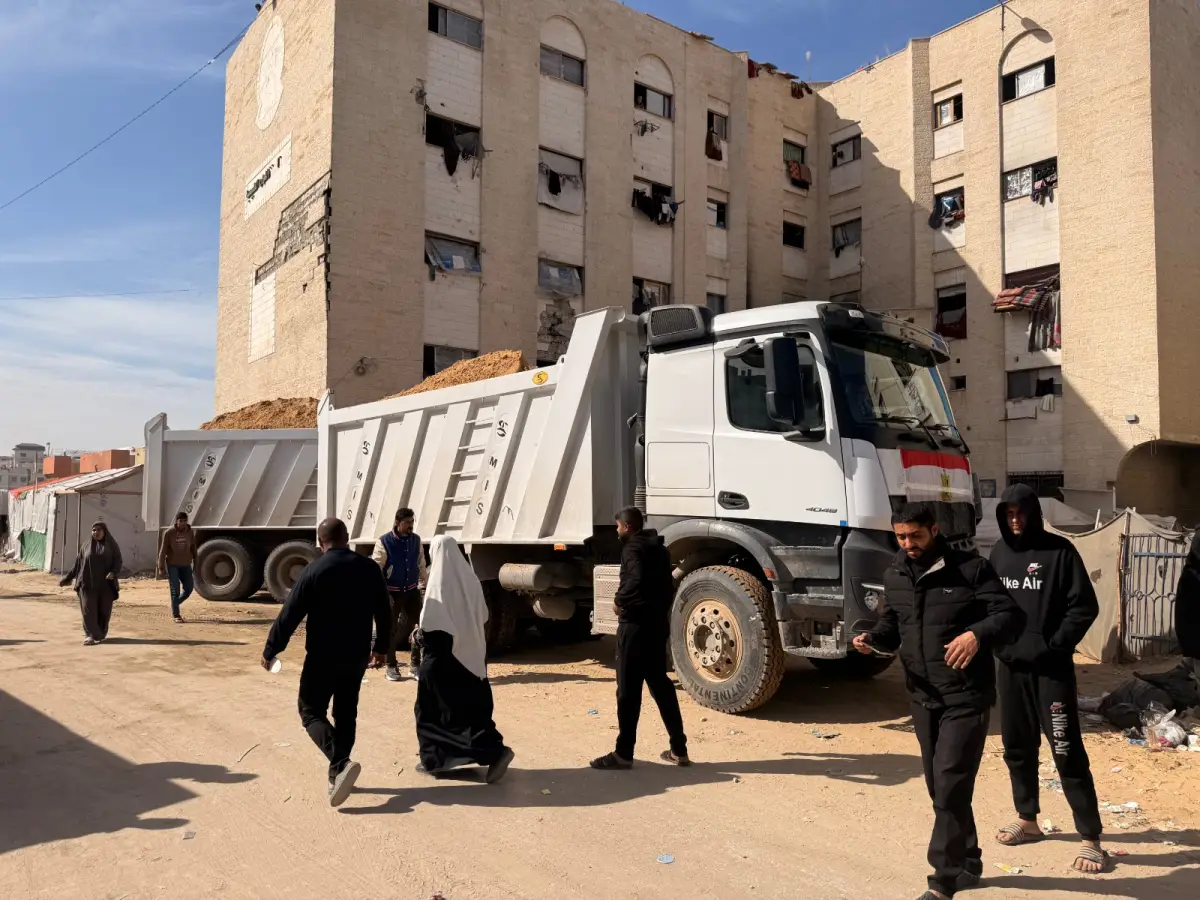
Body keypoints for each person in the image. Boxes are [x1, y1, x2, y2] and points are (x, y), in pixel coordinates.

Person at [853, 503, 1022, 900]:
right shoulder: (894, 574)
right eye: (901, 536)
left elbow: (1009, 615)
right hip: (922, 697)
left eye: (916, 535)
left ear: (934, 529)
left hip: (966, 695)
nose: (908, 543)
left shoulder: (970, 569)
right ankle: (970, 857)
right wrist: (873, 640)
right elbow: (892, 627)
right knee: (941, 787)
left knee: (949, 784)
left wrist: (976, 634)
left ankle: (943, 881)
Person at [988, 485, 1106, 873]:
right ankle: (1028, 820)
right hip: (1010, 670)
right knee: (1017, 747)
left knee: (1066, 750)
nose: (1015, 519)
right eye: (1008, 514)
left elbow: (1084, 606)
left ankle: (1090, 838)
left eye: (1021, 512)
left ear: (1033, 513)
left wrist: (1054, 645)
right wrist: (997, 644)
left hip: (1051, 671)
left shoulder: (1060, 553)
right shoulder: (999, 554)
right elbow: (989, 604)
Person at [261, 517, 391, 808]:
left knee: (310, 712)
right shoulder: (369, 568)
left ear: (321, 543)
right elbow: (384, 611)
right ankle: (337, 774)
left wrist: (272, 649)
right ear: (347, 538)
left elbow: (290, 614)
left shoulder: (314, 570)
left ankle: (340, 762)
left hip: (322, 656)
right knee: (346, 713)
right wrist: (382, 648)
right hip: (356, 655)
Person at [590, 506, 689, 770]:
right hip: (656, 627)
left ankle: (623, 754)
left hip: (634, 627)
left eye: (619, 526)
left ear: (628, 527)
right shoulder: (660, 549)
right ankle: (679, 749)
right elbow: (666, 586)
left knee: (628, 691)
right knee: (661, 686)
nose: (617, 531)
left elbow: (634, 580)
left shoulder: (632, 549)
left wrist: (619, 601)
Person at [413, 535, 514, 783]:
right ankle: (491, 751)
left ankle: (436, 760)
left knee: (431, 711)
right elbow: (482, 615)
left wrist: (418, 637)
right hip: (472, 656)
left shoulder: (439, 583)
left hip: (443, 659)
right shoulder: (471, 579)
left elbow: (434, 626)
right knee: (468, 711)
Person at [371, 507, 428, 682]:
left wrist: (423, 585)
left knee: (419, 626)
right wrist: (382, 593)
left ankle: (415, 665)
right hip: (392, 593)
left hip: (411, 591)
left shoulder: (416, 540)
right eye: (407, 523)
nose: (410, 526)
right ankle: (391, 666)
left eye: (412, 522)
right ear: (397, 522)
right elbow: (376, 569)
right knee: (390, 629)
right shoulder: (384, 542)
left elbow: (421, 563)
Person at [60, 521, 123, 646]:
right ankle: (90, 635)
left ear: (104, 531)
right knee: (88, 610)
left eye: (99, 530)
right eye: (94, 530)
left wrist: (113, 572)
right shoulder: (86, 546)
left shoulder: (111, 545)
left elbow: (118, 560)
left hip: (105, 584)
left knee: (104, 610)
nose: (96, 532)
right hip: (87, 582)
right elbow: (78, 564)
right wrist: (68, 578)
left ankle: (100, 633)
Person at [157, 512, 198, 623]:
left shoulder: (190, 532)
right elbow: (163, 551)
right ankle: (176, 614)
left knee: (189, 589)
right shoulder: (169, 533)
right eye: (181, 521)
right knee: (175, 589)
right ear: (177, 521)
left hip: (186, 565)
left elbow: (193, 547)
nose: (183, 523)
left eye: (185, 521)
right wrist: (161, 567)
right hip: (173, 565)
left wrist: (196, 560)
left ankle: (175, 603)